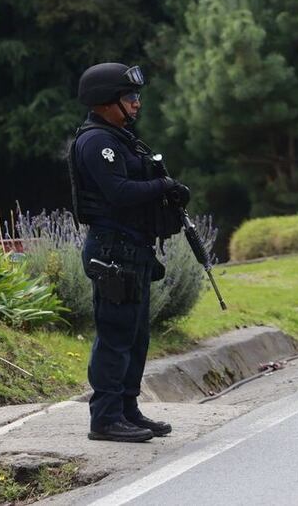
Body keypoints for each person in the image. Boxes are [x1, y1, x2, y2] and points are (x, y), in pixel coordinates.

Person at [69, 62, 190, 443]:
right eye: (129, 98)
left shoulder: (119, 138)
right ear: (106, 102)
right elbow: (118, 193)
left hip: (132, 248)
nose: (136, 105)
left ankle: (128, 410)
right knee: (116, 334)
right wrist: (163, 186)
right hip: (112, 249)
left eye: (136, 97)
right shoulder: (97, 143)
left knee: (136, 335)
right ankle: (104, 418)